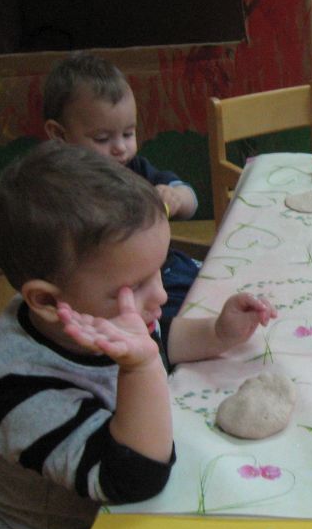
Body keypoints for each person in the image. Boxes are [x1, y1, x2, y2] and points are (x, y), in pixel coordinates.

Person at [0, 143, 277, 529]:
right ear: (45, 301)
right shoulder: (22, 393)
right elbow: (136, 479)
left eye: (159, 270)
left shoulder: (83, 310)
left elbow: (160, 341)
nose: (162, 295)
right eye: (134, 286)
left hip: (118, 497)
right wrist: (141, 368)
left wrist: (217, 333)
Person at [43, 51, 200, 341]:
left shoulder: (133, 169)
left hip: (165, 270)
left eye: (128, 134)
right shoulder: (61, 195)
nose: (120, 148)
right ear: (58, 135)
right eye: (102, 139)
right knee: (181, 325)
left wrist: (176, 197)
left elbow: (191, 202)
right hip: (132, 295)